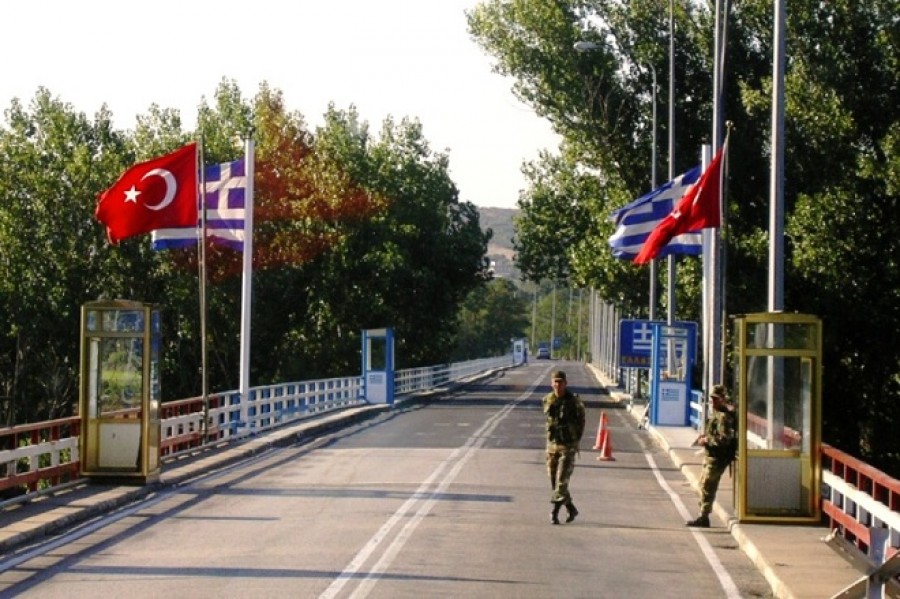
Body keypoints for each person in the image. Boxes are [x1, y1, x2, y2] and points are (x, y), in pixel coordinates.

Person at [687, 384, 738, 528]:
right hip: (711, 456)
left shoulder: (724, 417)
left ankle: (704, 516)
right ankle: (702, 514)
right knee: (703, 485)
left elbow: (724, 439)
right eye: (712, 399)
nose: (713, 402)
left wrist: (707, 440)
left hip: (718, 458)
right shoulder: (716, 414)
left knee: (708, 485)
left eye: (716, 399)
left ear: (723, 399)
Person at [543, 370, 586, 525]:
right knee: (554, 482)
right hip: (552, 446)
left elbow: (581, 421)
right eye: (555, 382)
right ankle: (571, 508)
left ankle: (554, 513)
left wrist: (575, 441)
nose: (558, 385)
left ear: (566, 383)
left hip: (568, 446)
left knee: (562, 482)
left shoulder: (573, 401)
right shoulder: (548, 400)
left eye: (560, 382)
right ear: (551, 383)